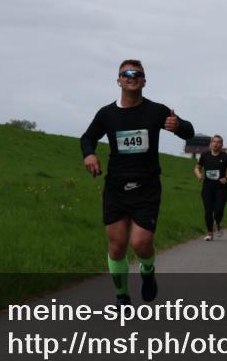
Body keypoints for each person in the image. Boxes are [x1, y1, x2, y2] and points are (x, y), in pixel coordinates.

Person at [80, 59, 195, 306]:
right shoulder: (107, 114)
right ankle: (122, 296)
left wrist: (178, 126)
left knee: (140, 243)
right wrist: (89, 154)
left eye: (137, 73)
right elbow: (87, 137)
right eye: (126, 73)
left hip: (147, 187)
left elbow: (189, 131)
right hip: (116, 188)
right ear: (119, 80)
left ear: (144, 81)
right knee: (117, 245)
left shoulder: (156, 111)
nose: (131, 76)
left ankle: (147, 270)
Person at [194, 135, 227, 240]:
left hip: (221, 189)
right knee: (208, 211)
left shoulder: (225, 156)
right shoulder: (204, 155)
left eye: (218, 142)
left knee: (218, 211)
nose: (216, 144)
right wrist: (199, 175)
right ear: (211, 143)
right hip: (207, 188)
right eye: (214, 142)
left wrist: (226, 178)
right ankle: (210, 233)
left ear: (221, 145)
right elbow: (197, 168)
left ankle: (218, 223)